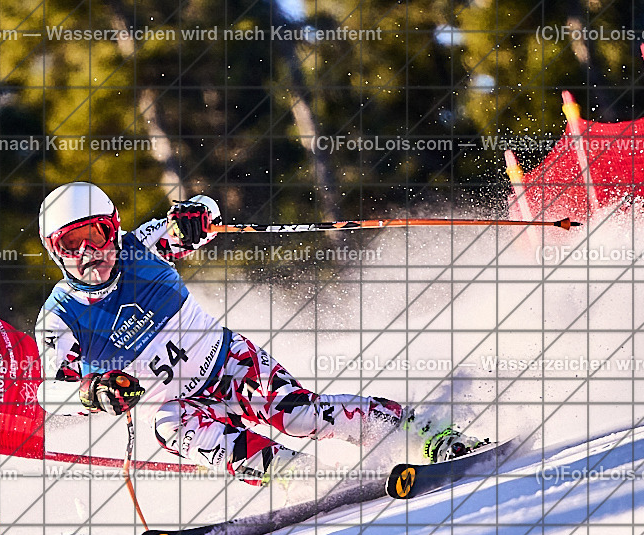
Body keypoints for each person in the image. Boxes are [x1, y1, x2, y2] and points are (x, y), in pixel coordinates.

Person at [32, 182, 482, 485]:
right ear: (56, 254)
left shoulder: (141, 248)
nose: (87, 253)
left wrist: (195, 215)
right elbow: (51, 396)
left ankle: (424, 434)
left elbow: (202, 215)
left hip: (226, 364)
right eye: (70, 245)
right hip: (171, 404)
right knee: (172, 429)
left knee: (299, 415)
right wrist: (93, 393)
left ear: (112, 227)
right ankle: (304, 480)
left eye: (93, 235)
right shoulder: (60, 316)